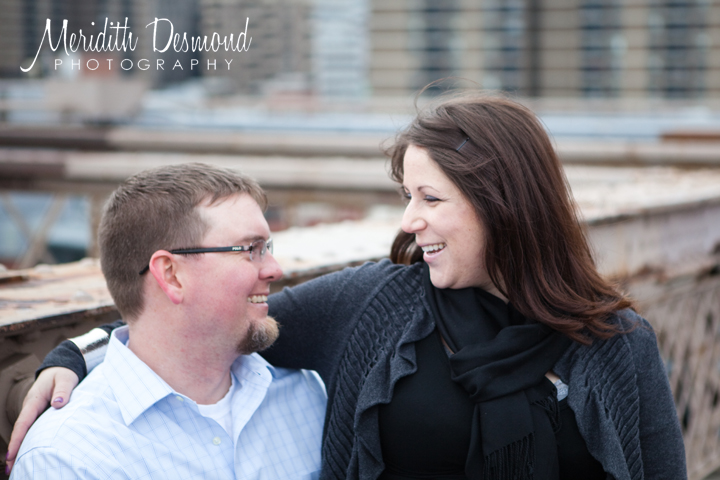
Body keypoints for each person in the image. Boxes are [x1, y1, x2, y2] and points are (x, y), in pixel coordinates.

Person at [7, 94, 685, 480]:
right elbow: (208, 321)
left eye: (429, 198)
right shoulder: (373, 306)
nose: (410, 220)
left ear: (502, 204)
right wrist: (77, 354)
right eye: (407, 196)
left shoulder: (617, 344)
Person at [8, 163, 326, 479]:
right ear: (171, 275)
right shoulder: (68, 459)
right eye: (251, 249)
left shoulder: (307, 392)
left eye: (267, 248)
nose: (275, 270)